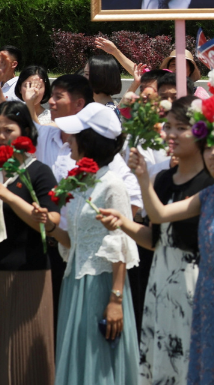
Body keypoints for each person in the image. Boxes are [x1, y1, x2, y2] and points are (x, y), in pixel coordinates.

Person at [125, 125, 214, 385]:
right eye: (209, 148)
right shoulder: (209, 195)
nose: (213, 154)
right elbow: (159, 215)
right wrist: (143, 178)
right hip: (205, 299)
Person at [98, 98, 213, 385]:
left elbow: (163, 217)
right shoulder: (162, 180)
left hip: (196, 282)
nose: (170, 134)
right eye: (169, 126)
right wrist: (123, 222)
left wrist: (142, 179)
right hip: (160, 280)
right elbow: (154, 239)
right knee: (160, 363)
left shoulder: (212, 182)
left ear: (201, 131)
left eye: (181, 127)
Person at [42, 103, 140, 385]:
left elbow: (120, 242)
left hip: (102, 284)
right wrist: (48, 224)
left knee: (100, 363)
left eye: (75, 135)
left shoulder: (112, 184)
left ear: (90, 141)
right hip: (75, 280)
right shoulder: (82, 182)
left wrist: (115, 299)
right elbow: (73, 241)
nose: (68, 140)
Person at [0, 102, 58, 385]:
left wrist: (7, 195)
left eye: (8, 129)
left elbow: (50, 222)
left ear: (25, 132)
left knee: (26, 354)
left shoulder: (39, 172)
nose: (0, 135)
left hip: (30, 273)